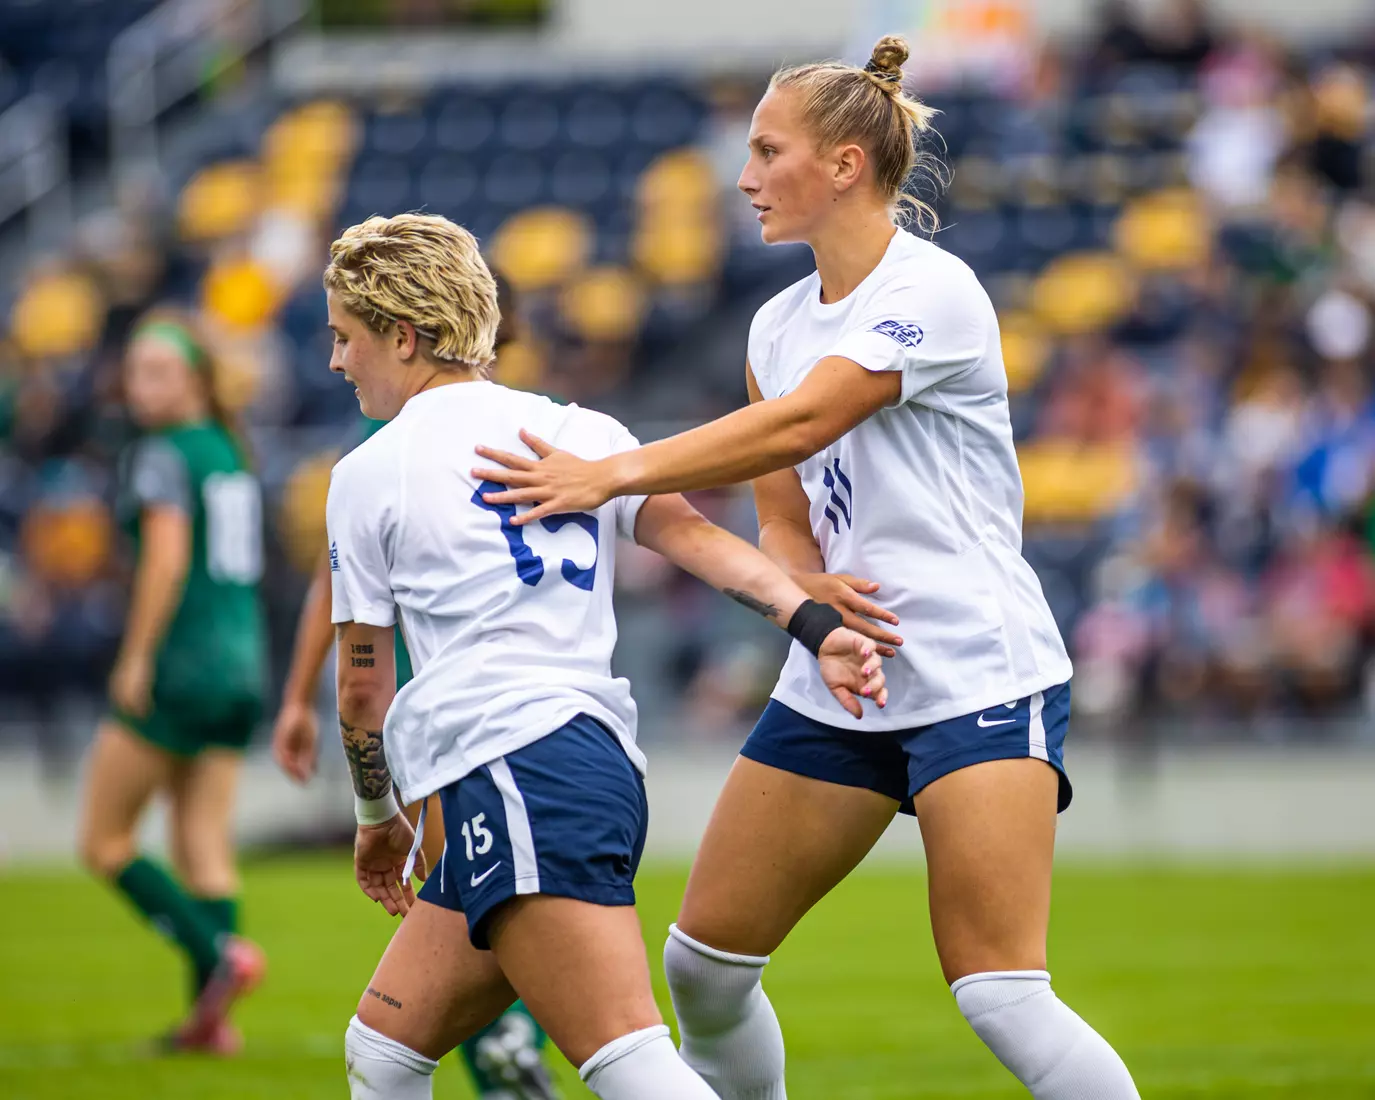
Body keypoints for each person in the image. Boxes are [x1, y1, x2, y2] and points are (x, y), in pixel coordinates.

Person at [471, 35, 1142, 1100]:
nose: (742, 179)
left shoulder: (935, 288)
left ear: (842, 165)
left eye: (765, 150)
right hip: (844, 674)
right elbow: (783, 513)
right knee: (704, 963)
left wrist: (613, 472)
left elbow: (802, 422)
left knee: (999, 989)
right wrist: (807, 599)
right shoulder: (774, 321)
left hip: (976, 665)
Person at [321, 212, 886, 1100]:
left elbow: (362, 687)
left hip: (514, 764)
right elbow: (698, 539)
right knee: (383, 1050)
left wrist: (373, 815)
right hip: (584, 762)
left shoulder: (370, 470)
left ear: (402, 334)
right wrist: (811, 625)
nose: (335, 361)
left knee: (626, 1060)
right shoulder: (582, 428)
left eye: (345, 337)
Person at [271, 272, 561, 1099]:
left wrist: (309, 707)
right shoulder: (532, 421)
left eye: (343, 339)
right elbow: (343, 597)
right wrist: (299, 696)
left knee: (483, 901)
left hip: (479, 718)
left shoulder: (426, 442)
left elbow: (344, 620)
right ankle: (507, 1045)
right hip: (499, 715)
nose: (334, 361)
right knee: (455, 923)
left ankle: (508, 1042)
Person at [77, 309, 267, 1052]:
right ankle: (208, 1023)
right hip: (241, 665)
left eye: (158, 371)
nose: (140, 386)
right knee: (203, 844)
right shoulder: (228, 447)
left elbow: (164, 560)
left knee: (104, 841)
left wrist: (135, 656)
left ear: (196, 378)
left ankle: (215, 955)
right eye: (134, 371)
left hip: (183, 664)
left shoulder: (159, 454)